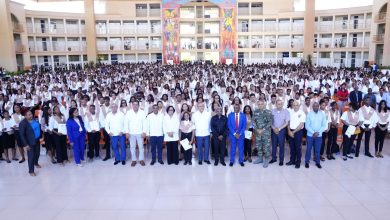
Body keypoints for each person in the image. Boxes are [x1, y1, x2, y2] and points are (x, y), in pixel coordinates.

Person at [304, 102, 327, 169]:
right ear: (312, 107)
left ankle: (317, 162)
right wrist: (313, 132)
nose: (315, 107)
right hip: (310, 135)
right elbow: (307, 125)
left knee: (317, 150)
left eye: (317, 106)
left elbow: (324, 125)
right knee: (308, 149)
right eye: (314, 106)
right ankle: (307, 161)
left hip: (319, 136)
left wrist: (318, 133)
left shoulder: (322, 114)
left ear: (319, 106)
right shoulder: (309, 114)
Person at [19, 110, 41, 176]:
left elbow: (38, 128)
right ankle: (31, 171)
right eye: (29, 115)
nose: (31, 115)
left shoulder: (34, 119)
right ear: (25, 116)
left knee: (37, 153)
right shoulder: (23, 123)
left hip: (37, 140)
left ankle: (36, 163)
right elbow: (22, 135)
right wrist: (26, 144)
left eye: (31, 114)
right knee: (31, 156)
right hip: (29, 142)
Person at [125, 101, 146, 166]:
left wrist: (144, 132)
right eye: (134, 104)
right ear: (132, 105)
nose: (135, 106)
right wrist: (127, 132)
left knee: (141, 147)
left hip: (140, 133)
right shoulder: (128, 113)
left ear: (138, 105)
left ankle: (141, 159)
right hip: (131, 133)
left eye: (136, 104)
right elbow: (126, 123)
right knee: (132, 147)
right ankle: (133, 160)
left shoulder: (142, 112)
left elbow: (145, 123)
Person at [253, 100, 272, 168]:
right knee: (259, 146)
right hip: (258, 132)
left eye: (261, 104)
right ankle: (260, 158)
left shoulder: (268, 112)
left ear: (264, 105)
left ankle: (266, 159)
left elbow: (270, 122)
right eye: (259, 104)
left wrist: (263, 129)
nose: (260, 105)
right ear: (257, 105)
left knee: (266, 146)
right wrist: (257, 129)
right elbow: (254, 121)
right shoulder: (255, 112)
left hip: (265, 132)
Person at [270, 100, 290, 166]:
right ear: (276, 104)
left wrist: (279, 128)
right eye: (278, 104)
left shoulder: (286, 111)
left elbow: (286, 122)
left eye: (281, 104)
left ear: (282, 104)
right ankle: (273, 158)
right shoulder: (272, 111)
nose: (279, 105)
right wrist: (273, 128)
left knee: (281, 145)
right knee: (274, 145)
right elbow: (270, 121)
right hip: (274, 130)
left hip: (281, 130)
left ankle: (281, 160)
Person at [287, 101, 306, 169]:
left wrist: (293, 132)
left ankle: (298, 162)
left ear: (299, 106)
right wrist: (289, 131)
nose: (295, 106)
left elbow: (301, 124)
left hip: (298, 132)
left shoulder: (302, 113)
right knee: (291, 147)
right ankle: (292, 160)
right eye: (294, 105)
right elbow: (288, 122)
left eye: (296, 105)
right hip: (290, 131)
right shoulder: (290, 112)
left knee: (298, 147)